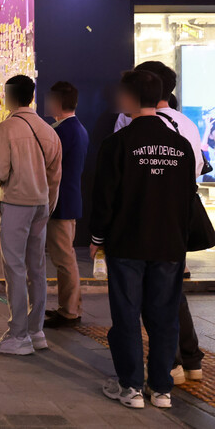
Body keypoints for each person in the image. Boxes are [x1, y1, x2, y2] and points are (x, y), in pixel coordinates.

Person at [91, 70, 196, 409]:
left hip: (127, 243)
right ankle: (162, 388)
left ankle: (131, 387)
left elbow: (105, 197)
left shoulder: (117, 144)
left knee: (126, 314)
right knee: (164, 316)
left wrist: (96, 238)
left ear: (130, 99)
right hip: (169, 245)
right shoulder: (181, 146)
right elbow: (187, 198)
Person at [113, 61, 205, 386]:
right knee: (170, 295)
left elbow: (118, 179)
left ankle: (166, 369)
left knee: (139, 302)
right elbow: (194, 171)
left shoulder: (128, 123)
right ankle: (189, 362)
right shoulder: (187, 126)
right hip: (176, 221)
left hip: (137, 225)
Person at [0, 75, 62, 355]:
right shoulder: (48, 130)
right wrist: (48, 205)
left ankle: (18, 336)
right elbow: (55, 175)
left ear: (9, 96)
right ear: (31, 96)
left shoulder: (6, 129)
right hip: (41, 205)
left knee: (14, 268)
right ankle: (35, 330)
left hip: (17, 203)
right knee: (37, 268)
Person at [43, 82, 89, 328]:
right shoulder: (76, 128)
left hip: (60, 201)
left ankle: (70, 310)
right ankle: (68, 307)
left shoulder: (63, 131)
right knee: (65, 257)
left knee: (64, 258)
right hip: (68, 199)